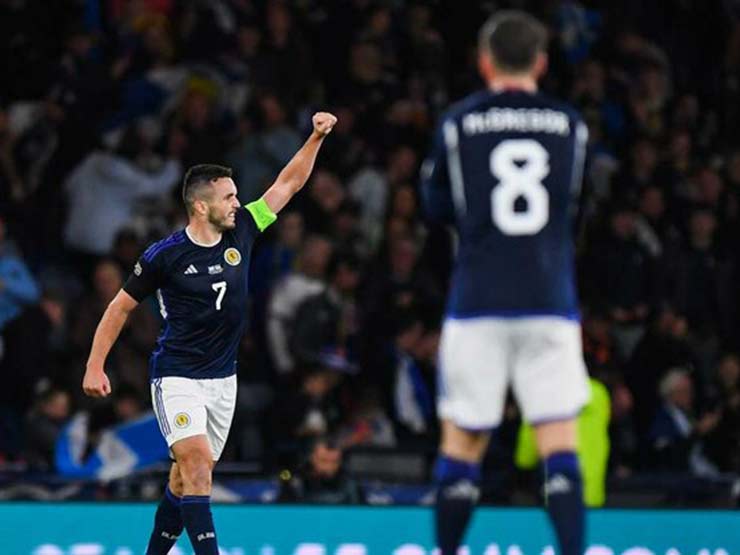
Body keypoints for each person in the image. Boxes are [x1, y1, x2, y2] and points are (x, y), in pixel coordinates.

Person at [81, 112, 337, 555]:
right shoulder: (164, 257)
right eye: (229, 197)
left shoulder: (245, 230)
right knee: (198, 468)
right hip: (177, 377)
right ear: (201, 206)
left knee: (184, 481)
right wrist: (95, 365)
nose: (238, 203)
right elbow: (119, 307)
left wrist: (315, 137)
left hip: (223, 380)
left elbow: (288, 184)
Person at [421, 11, 590, 555]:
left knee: (463, 441)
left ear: (484, 62)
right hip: (549, 298)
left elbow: (436, 205)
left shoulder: (458, 123)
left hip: (477, 299)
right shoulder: (571, 125)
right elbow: (575, 206)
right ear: (541, 62)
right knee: (558, 441)